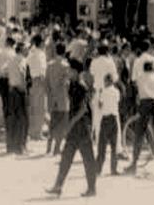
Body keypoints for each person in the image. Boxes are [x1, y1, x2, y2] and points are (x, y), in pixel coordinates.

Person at [47, 59, 97, 197]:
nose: (67, 72)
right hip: (76, 127)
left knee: (87, 158)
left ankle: (92, 188)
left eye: (69, 70)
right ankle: (58, 186)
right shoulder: (73, 85)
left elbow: (82, 109)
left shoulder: (80, 87)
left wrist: (69, 125)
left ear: (75, 71)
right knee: (66, 157)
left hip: (82, 126)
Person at [126, 60, 154, 175]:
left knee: (139, 134)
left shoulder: (140, 77)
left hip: (144, 104)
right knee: (153, 127)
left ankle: (134, 164)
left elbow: (134, 84)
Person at [46, 42, 70, 156]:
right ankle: (57, 148)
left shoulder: (49, 65)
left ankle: (48, 147)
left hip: (52, 97)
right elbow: (66, 83)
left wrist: (50, 94)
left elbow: (46, 82)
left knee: (53, 122)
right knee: (62, 123)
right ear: (64, 52)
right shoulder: (65, 65)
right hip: (62, 97)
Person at [96, 73, 120, 176]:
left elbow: (100, 105)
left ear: (106, 81)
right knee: (114, 147)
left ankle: (98, 169)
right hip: (114, 119)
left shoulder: (103, 91)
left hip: (105, 119)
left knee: (102, 146)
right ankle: (113, 169)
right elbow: (117, 102)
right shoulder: (116, 91)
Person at [26, 34, 48, 141]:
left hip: (32, 81)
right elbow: (43, 70)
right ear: (41, 43)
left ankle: (32, 132)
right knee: (41, 108)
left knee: (33, 107)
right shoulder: (41, 54)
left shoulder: (31, 53)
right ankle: (38, 133)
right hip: (40, 80)